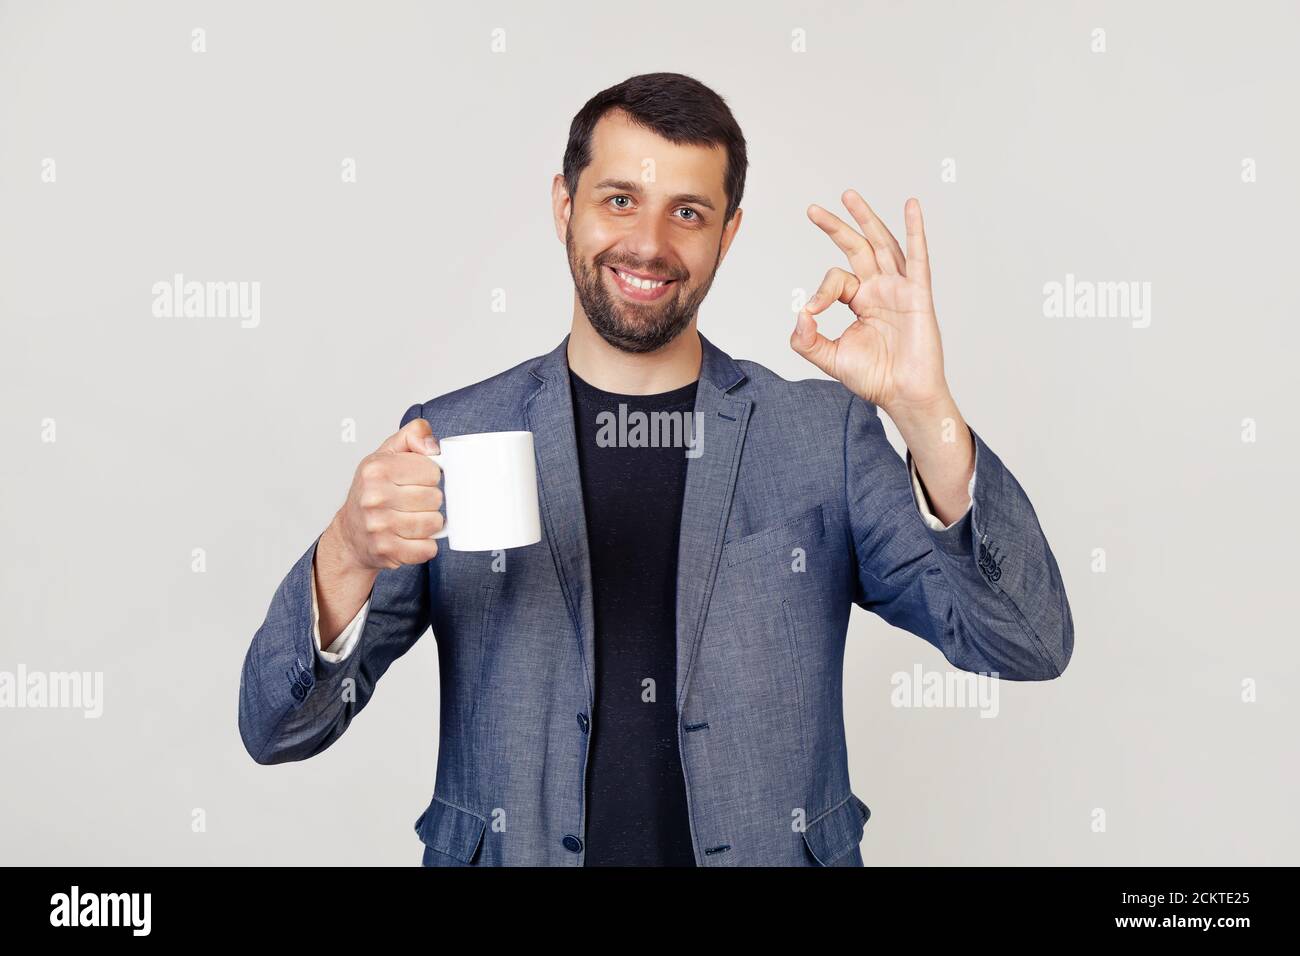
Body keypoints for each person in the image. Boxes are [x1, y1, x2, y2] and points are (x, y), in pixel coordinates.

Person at [238, 72, 1073, 867]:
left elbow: (1027, 644)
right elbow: (278, 729)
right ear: (564, 205)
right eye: (619, 200)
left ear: (729, 233)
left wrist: (926, 413)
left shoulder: (823, 438)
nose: (648, 242)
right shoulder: (452, 438)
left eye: (688, 212)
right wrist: (346, 549)